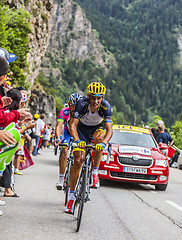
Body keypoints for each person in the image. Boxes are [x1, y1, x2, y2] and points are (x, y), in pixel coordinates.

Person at [65, 82, 113, 213]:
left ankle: (95, 172)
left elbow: (109, 129)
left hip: (98, 129)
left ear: (102, 98)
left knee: (99, 140)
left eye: (99, 98)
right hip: (81, 130)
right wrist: (76, 140)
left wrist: (104, 143)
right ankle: (71, 196)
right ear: (88, 96)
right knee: (78, 160)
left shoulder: (106, 107)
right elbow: (73, 125)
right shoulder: (82, 104)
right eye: (93, 97)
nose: (96, 101)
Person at [55, 93, 82, 190]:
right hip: (67, 132)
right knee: (64, 150)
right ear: (69, 104)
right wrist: (58, 138)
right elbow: (59, 126)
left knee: (78, 156)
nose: (74, 108)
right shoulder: (64, 111)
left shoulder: (82, 113)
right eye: (73, 106)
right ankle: (61, 179)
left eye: (77, 106)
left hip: (78, 134)